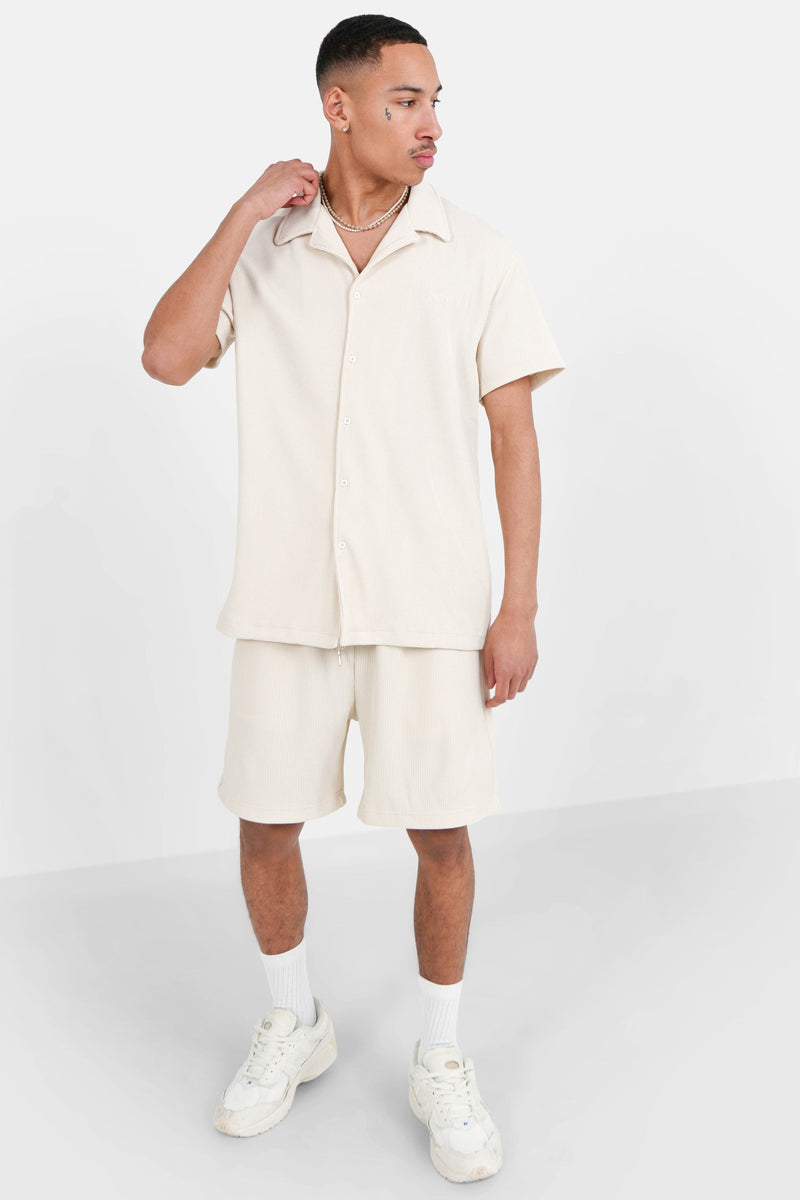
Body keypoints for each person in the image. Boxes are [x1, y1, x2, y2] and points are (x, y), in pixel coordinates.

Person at [141, 12, 565, 1185]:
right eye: (402, 101)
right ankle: (295, 1018)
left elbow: (513, 440)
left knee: (441, 833)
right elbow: (166, 357)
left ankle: (440, 1055)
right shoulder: (266, 248)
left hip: (429, 603)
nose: (429, 125)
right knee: (263, 821)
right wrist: (240, 213)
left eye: (434, 101)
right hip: (284, 599)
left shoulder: (475, 255)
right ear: (337, 108)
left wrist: (517, 607)